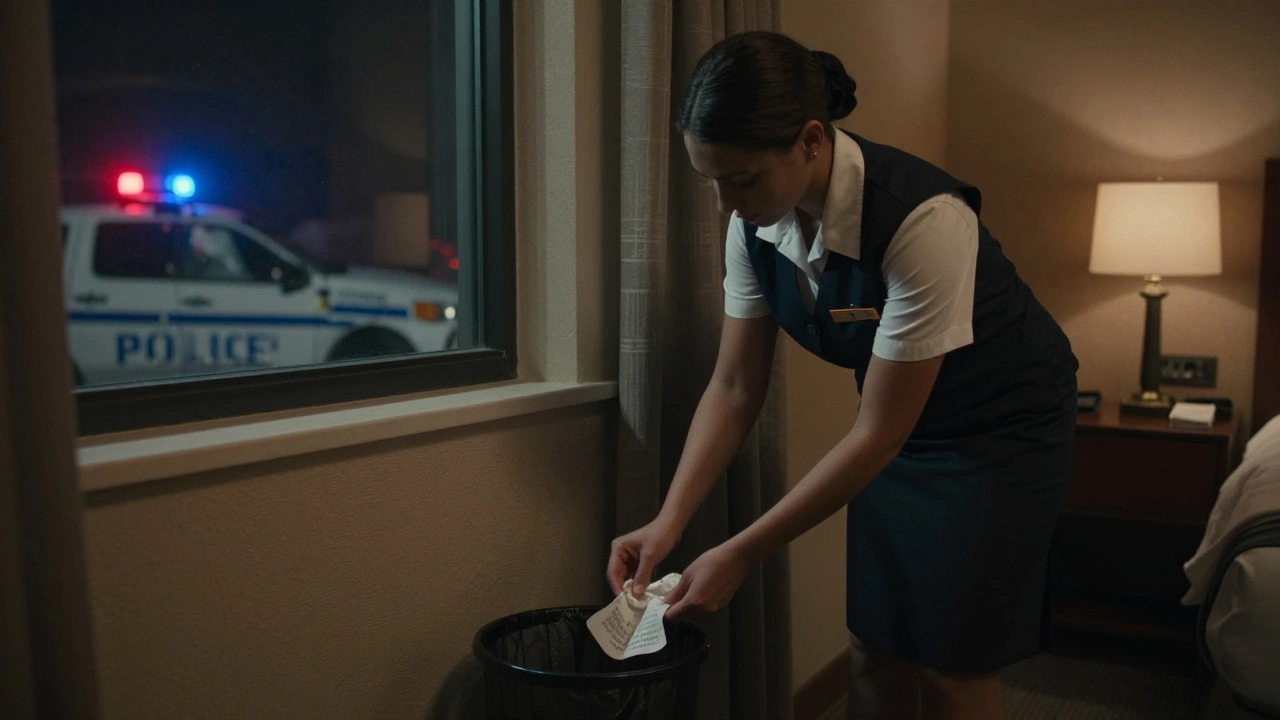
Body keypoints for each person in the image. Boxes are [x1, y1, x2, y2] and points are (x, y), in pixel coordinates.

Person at [605, 30, 1080, 720]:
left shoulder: (924, 220)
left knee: (950, 668)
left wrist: (742, 553)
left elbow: (877, 434)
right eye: (712, 180)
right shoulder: (754, 225)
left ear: (809, 140)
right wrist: (668, 521)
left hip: (1000, 432)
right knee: (874, 648)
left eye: (741, 178)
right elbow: (735, 386)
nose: (724, 203)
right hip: (895, 433)